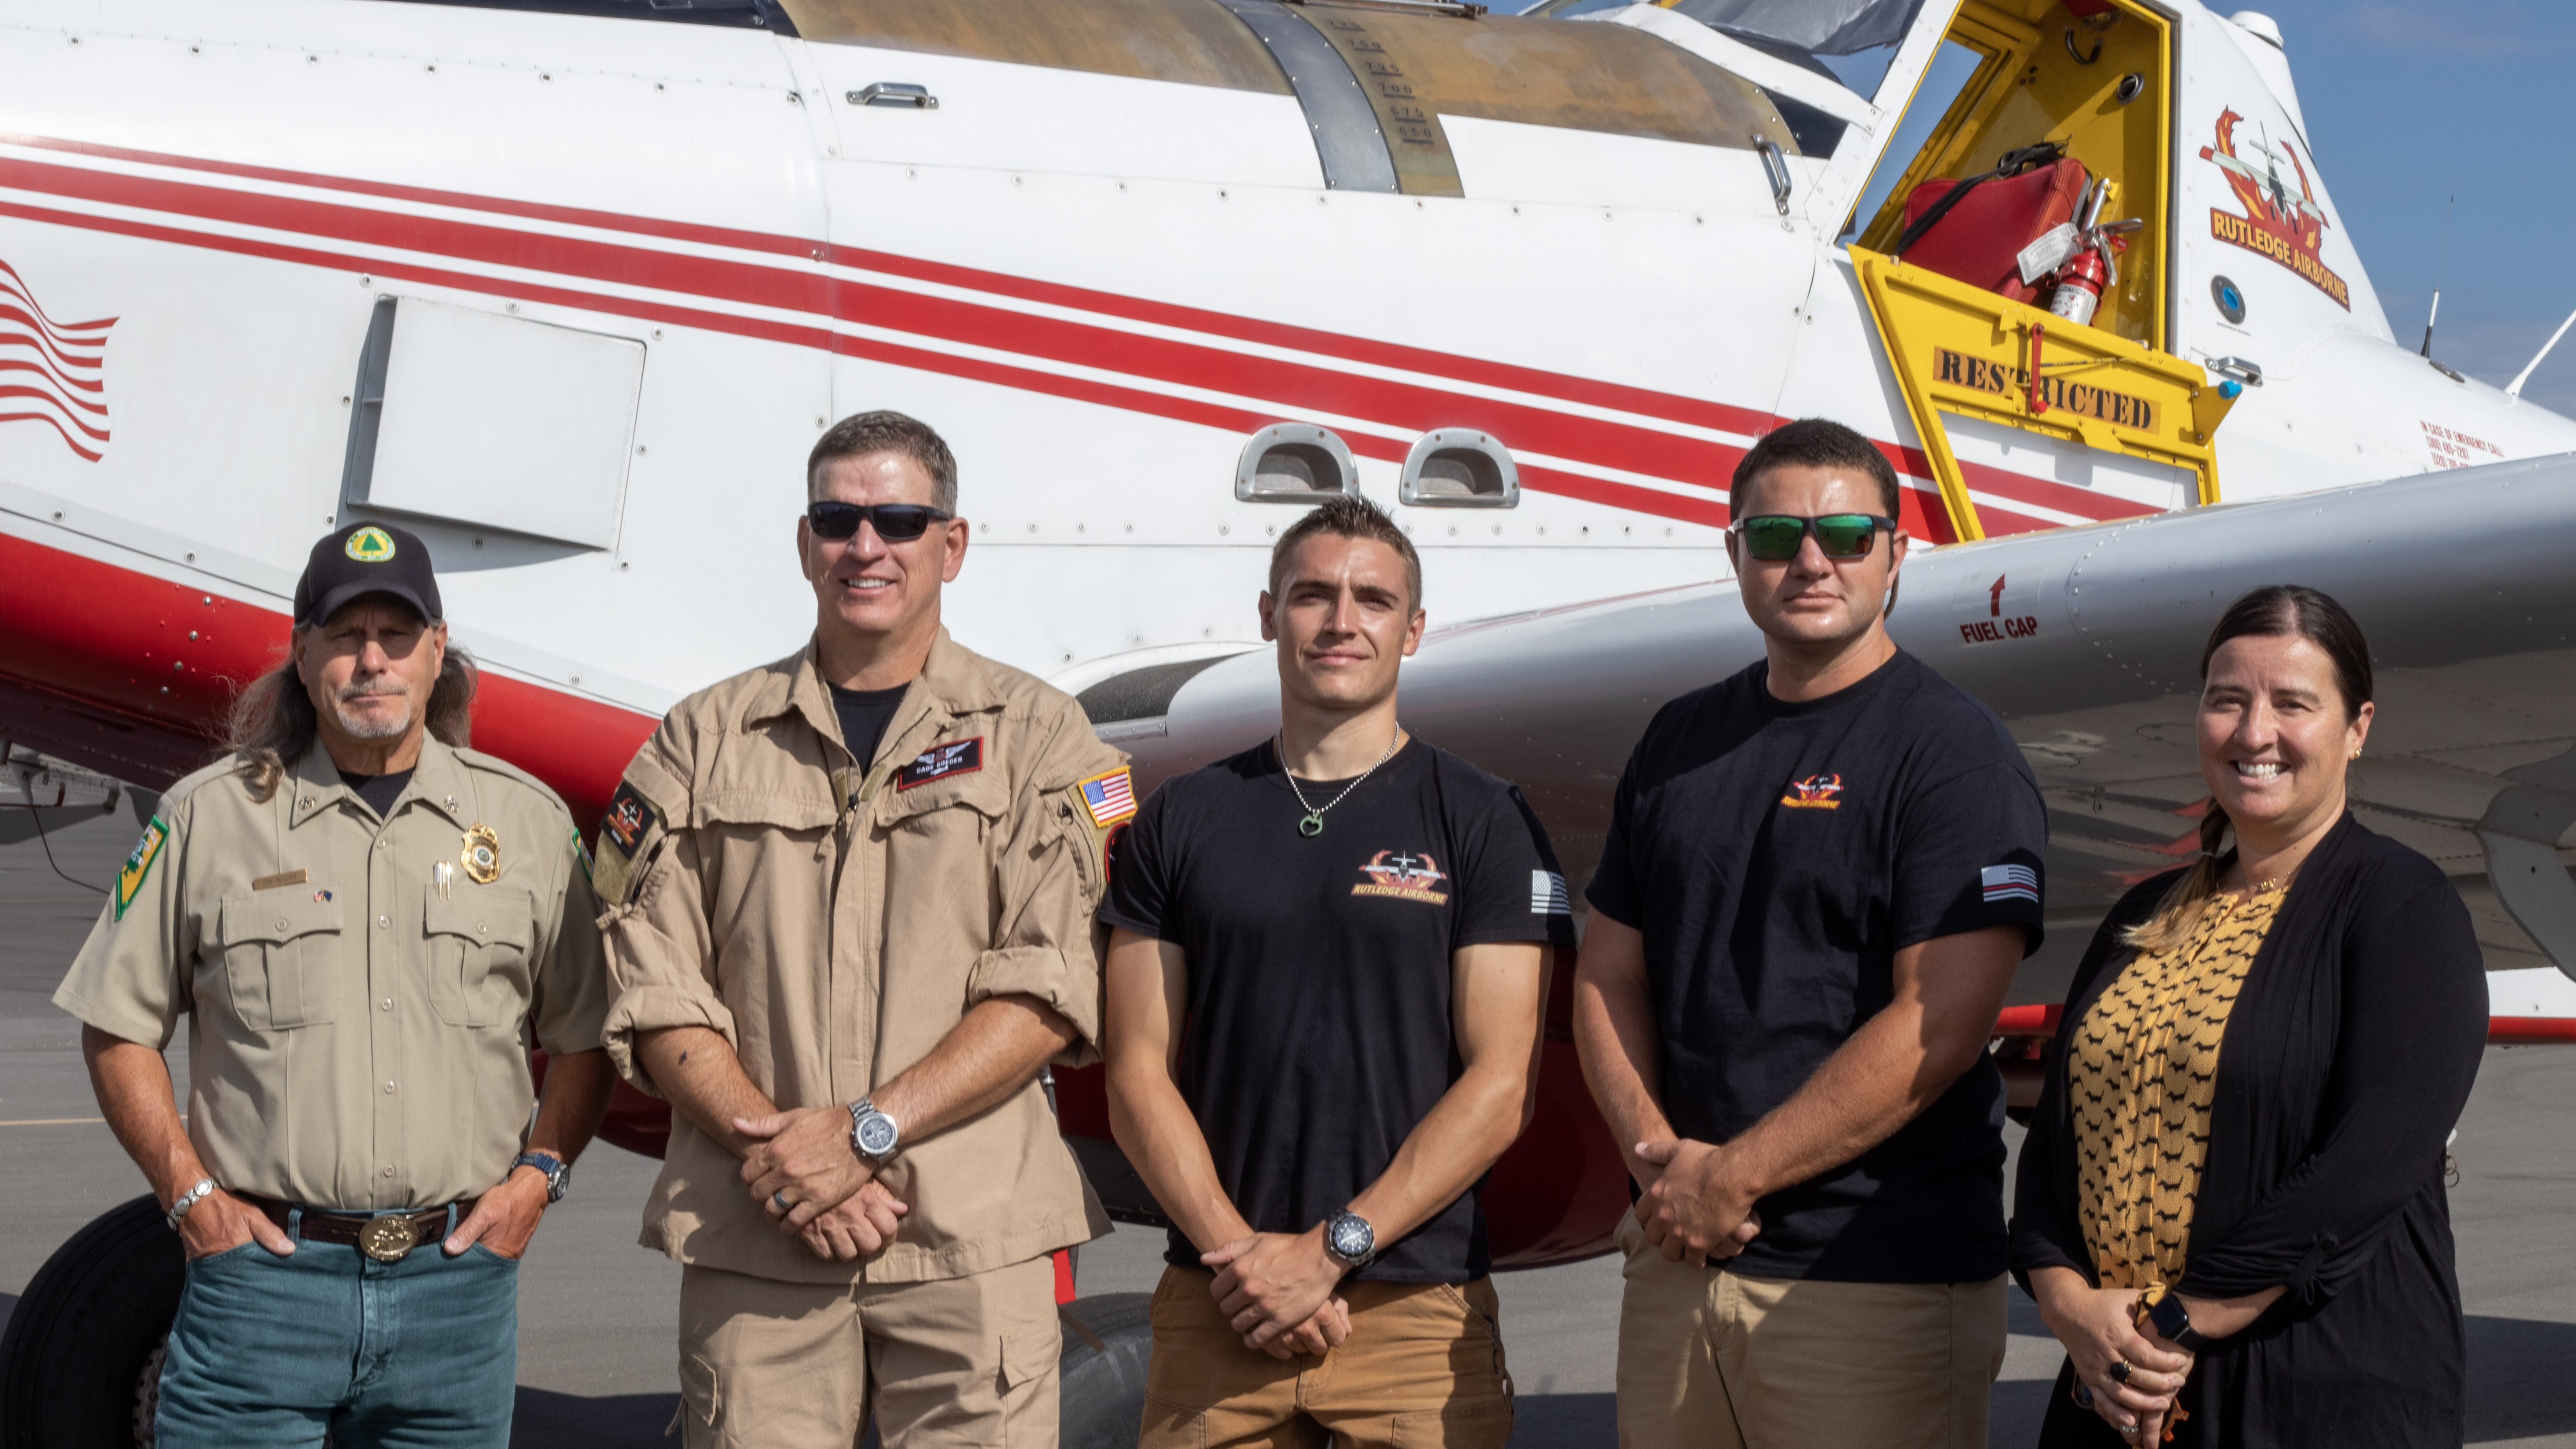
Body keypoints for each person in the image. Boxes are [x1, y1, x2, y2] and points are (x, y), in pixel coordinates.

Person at [594, 410, 1130, 1449]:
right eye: (839, 519)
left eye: (897, 518)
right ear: (806, 543)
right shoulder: (702, 739)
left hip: (969, 1240)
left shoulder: (1043, 739)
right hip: (761, 1238)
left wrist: (863, 1131)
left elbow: (1052, 981)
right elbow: (653, 983)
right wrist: (787, 1162)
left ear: (951, 543)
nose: (866, 546)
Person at [53, 521, 616, 1448]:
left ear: (438, 651)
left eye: (397, 635)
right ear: (301, 652)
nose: (371, 661)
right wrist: (190, 1197)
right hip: (262, 1290)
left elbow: (587, 1034)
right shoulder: (211, 818)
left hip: (456, 1291)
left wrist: (537, 1178)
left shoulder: (525, 821)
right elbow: (117, 1028)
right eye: (344, 635)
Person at [1571, 417, 2048, 1448]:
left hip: (1871, 1276)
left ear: (1897, 555)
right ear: (1735, 549)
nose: (1813, 559)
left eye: (1848, 533)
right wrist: (1660, 1164)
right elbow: (1609, 967)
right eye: (1778, 533)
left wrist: (1730, 1178)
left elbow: (1944, 1019)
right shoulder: (1678, 737)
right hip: (1680, 1255)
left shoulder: (1954, 752)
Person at [1101, 492, 1571, 1448]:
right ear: (1269, 614)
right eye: (1314, 595)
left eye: (1374, 598)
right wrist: (1246, 1262)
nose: (1342, 620)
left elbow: (1503, 1082)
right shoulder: (1182, 817)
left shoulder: (1484, 818)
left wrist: (1330, 1249)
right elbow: (1135, 1071)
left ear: (1415, 628)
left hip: (1410, 1313)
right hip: (1217, 1304)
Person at [2010, 585, 2487, 1447]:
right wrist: (2070, 1304)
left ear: (2358, 727)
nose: (2254, 731)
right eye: (2227, 699)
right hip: (2113, 1392)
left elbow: (2375, 1155)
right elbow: (2055, 1144)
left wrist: (2180, 1317)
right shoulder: (2143, 911)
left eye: (2293, 703)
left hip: (2315, 1392)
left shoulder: (2400, 903)